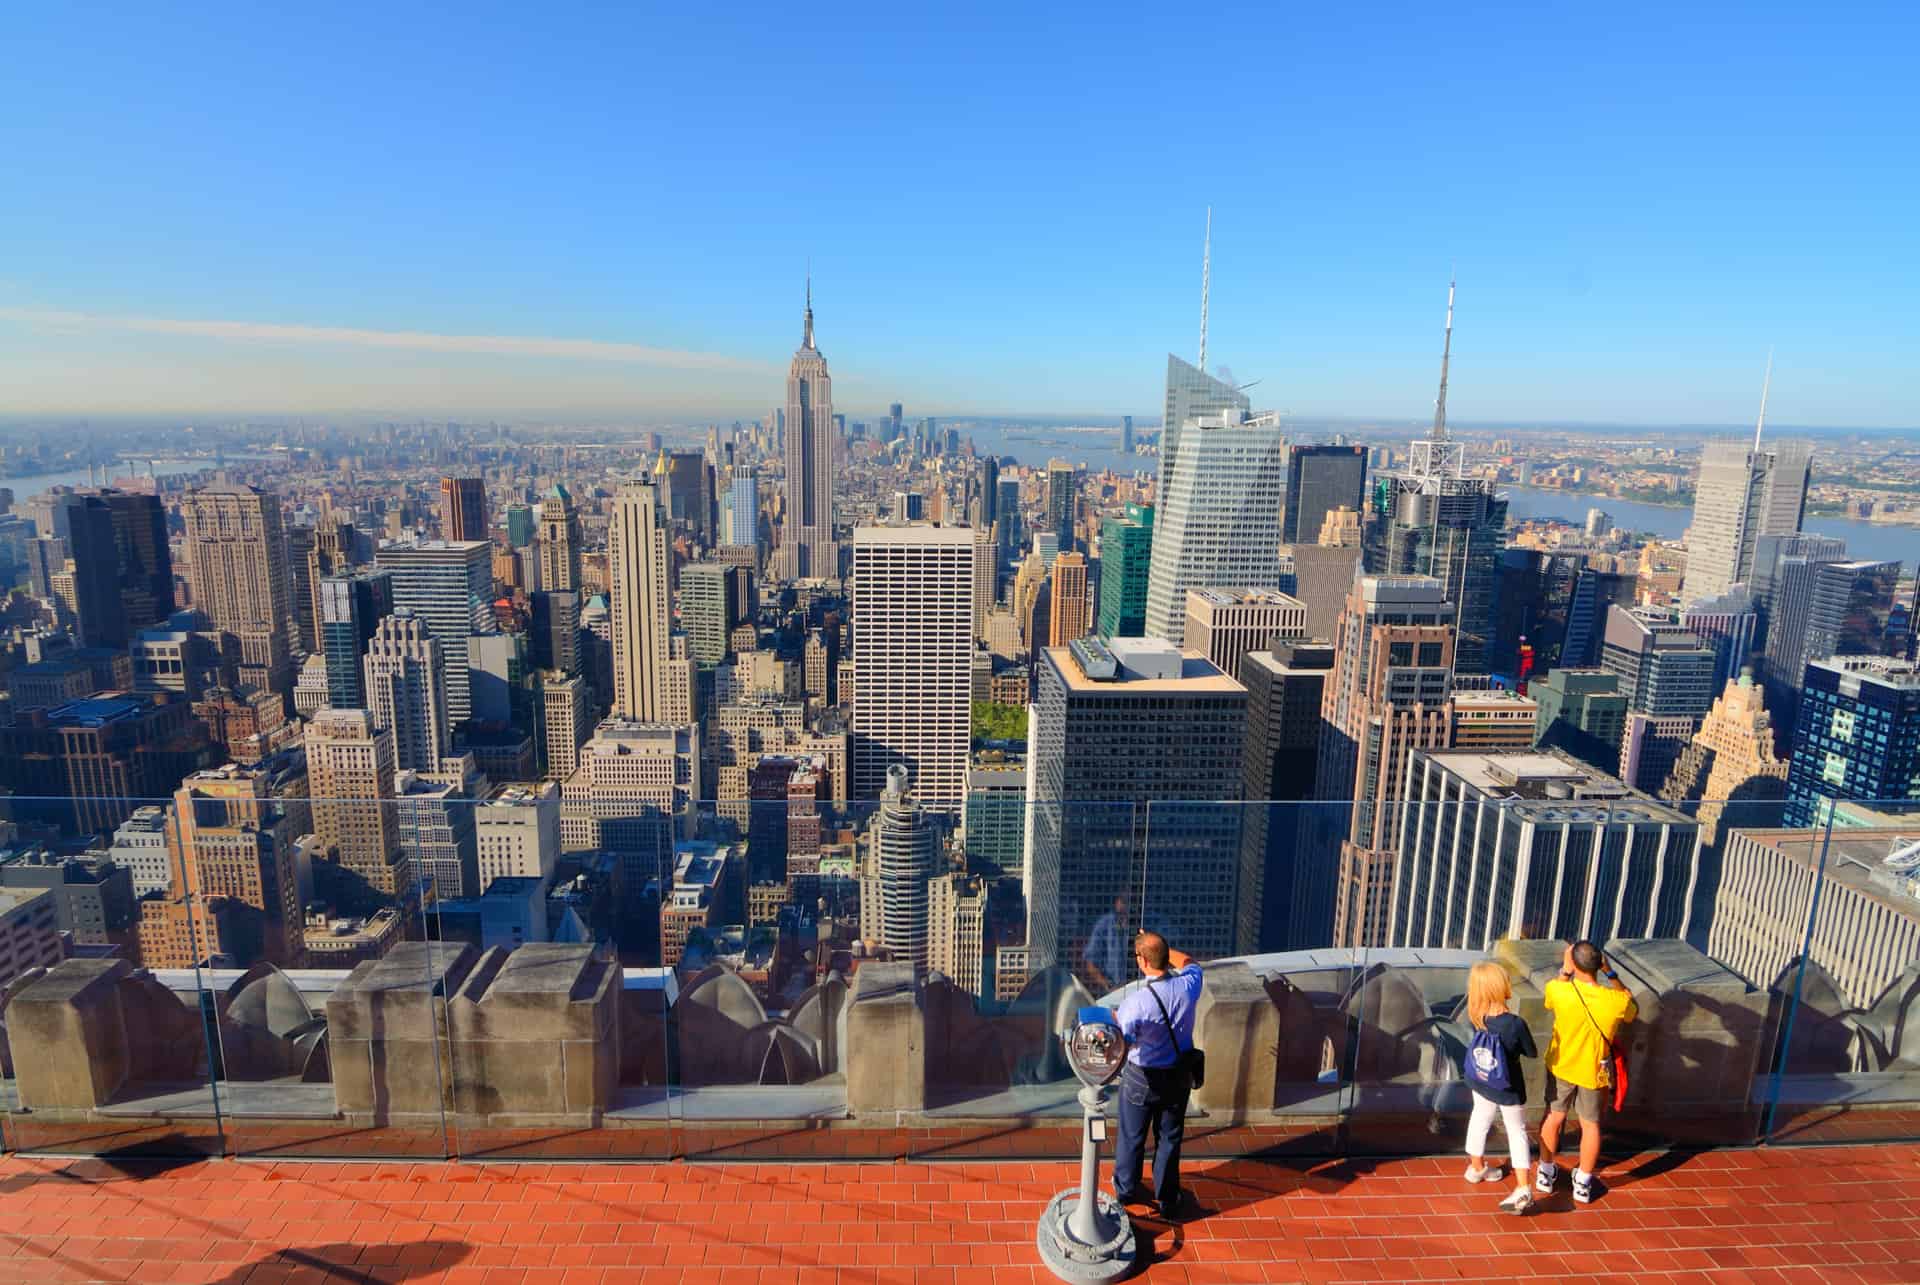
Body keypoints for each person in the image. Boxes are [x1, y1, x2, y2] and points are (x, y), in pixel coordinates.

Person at [1109, 931, 1202, 1218]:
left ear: (1143, 961)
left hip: (1142, 1077)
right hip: (1178, 1075)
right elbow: (1190, 962)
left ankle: (1125, 1190)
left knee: (1132, 1136)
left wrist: (1114, 1019)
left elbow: (1122, 1039)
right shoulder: (1189, 985)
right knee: (1169, 1137)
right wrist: (1162, 948)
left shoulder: (1136, 1003)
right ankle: (1167, 1198)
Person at [1536, 940, 1637, 1205]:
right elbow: (1632, 1009)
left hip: (1561, 1065)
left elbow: (1550, 999)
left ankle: (1545, 1173)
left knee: (1554, 1116)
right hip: (1594, 1070)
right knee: (1590, 1125)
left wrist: (1565, 971)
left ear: (1574, 963)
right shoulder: (1615, 1001)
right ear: (1599, 964)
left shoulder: (1558, 990)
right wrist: (1611, 973)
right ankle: (1583, 1181)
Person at [1461, 960, 1538, 1214]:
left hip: (1481, 1079)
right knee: (1517, 1131)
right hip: (1508, 1086)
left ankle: (1477, 1168)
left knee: (1480, 1117)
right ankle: (1523, 1186)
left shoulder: (1476, 1015)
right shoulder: (1514, 1024)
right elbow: (1531, 1052)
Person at [1082, 895, 1130, 994]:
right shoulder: (1104, 924)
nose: (1127, 905)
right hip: (1111, 993)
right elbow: (1091, 963)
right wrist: (1109, 986)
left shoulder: (1147, 923)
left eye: (1131, 901)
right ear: (1117, 902)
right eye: (1124, 901)